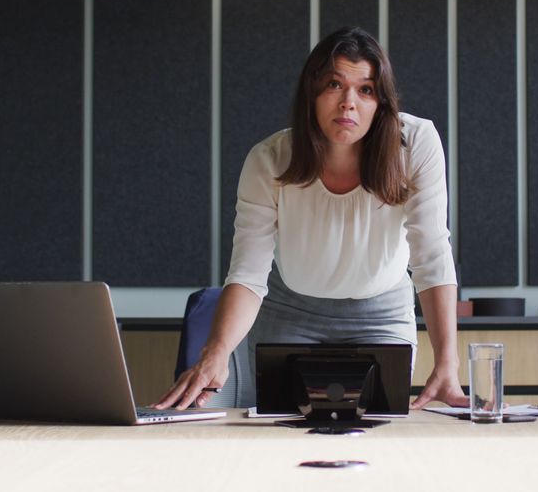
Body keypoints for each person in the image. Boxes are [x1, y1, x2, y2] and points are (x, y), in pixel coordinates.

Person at [155, 26, 467, 411]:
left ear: (381, 102)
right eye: (334, 84)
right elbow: (248, 274)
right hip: (291, 309)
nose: (348, 103)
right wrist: (216, 351)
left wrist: (447, 361)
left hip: (382, 312)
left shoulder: (416, 143)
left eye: (366, 89)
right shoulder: (268, 160)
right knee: (279, 428)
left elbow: (431, 255)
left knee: (377, 434)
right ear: (312, 93)